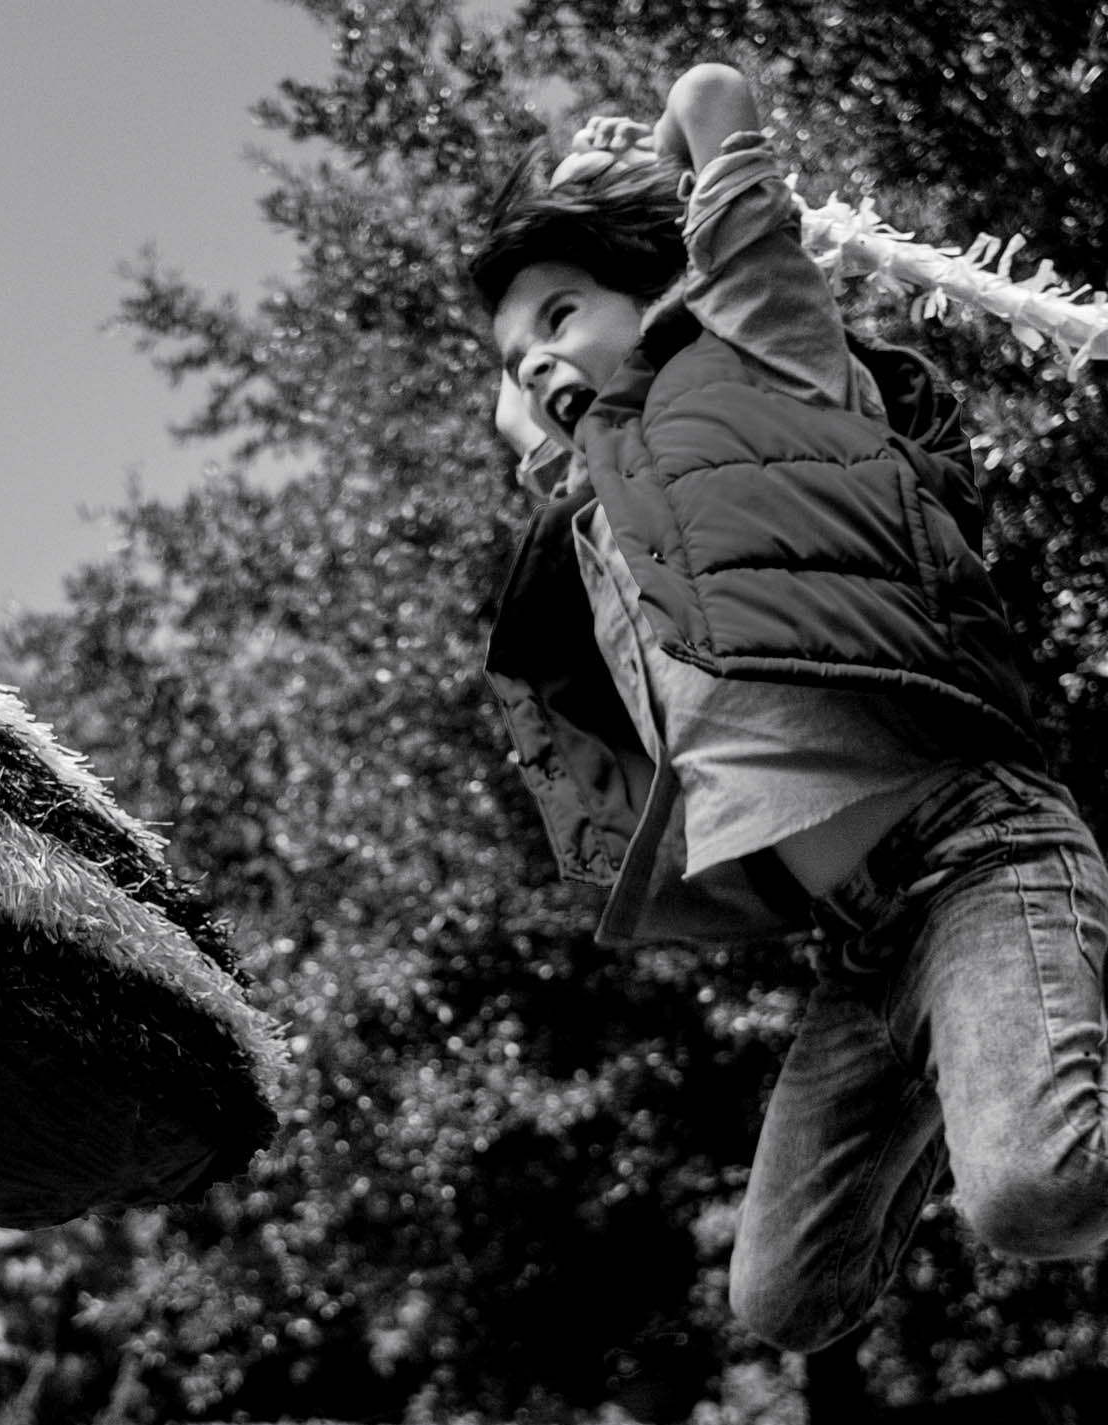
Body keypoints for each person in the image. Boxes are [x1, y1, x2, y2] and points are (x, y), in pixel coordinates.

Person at [472, 62, 1108, 1353]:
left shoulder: (764, 362)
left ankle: (1018, 1075)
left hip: (975, 853)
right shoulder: (597, 522)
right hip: (864, 943)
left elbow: (715, 100)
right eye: (511, 348)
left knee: (1040, 1196)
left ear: (667, 289)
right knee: (786, 1302)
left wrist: (647, 164)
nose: (536, 350)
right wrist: (540, 386)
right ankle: (988, 1062)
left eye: (562, 307)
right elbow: (550, 446)